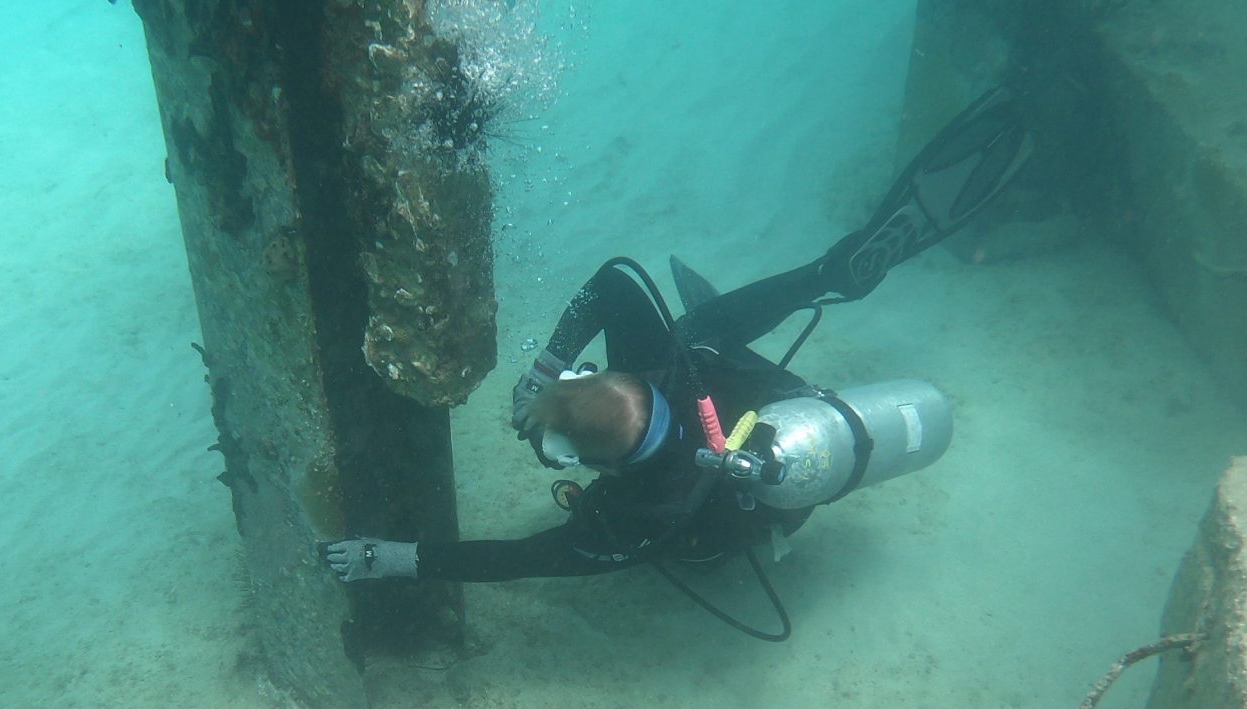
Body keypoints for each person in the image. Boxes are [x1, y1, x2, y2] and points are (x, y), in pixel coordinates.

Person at [317, 89, 1031, 602]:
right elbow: (613, 285)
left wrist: (395, 558)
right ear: (625, 379)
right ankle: (827, 273)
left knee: (702, 539)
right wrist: (546, 370)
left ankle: (823, 279)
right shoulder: (668, 370)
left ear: (581, 460)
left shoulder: (638, 516)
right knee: (700, 336)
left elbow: (516, 559)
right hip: (765, 405)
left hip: (737, 512)